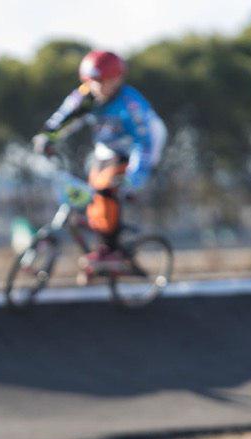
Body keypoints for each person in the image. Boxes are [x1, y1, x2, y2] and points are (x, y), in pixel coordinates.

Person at [33, 50, 167, 276]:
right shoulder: (86, 95)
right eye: (91, 82)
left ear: (116, 79)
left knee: (107, 188)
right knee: (93, 196)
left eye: (101, 82)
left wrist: (135, 178)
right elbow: (64, 119)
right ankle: (103, 247)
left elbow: (145, 144)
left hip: (140, 147)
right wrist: (47, 137)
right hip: (107, 148)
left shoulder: (131, 105)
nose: (96, 87)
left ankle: (111, 251)